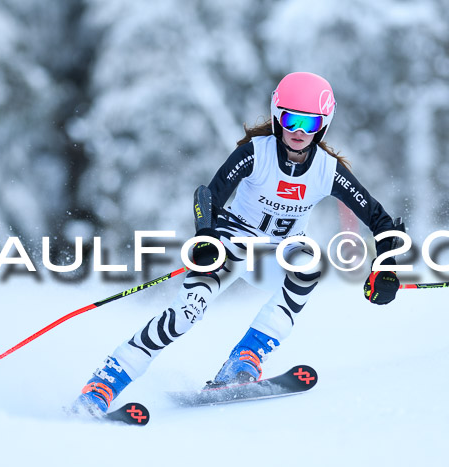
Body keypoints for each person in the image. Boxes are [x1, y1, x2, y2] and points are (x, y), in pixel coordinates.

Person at [73, 72, 401, 416]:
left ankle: (245, 359)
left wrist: (387, 266)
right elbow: (208, 195)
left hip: (279, 253)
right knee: (182, 316)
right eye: (291, 120)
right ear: (277, 116)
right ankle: (102, 386)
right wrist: (204, 237)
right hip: (233, 243)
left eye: (310, 123)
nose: (299, 132)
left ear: (323, 124)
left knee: (308, 263)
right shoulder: (255, 153)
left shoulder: (326, 170)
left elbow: (380, 219)